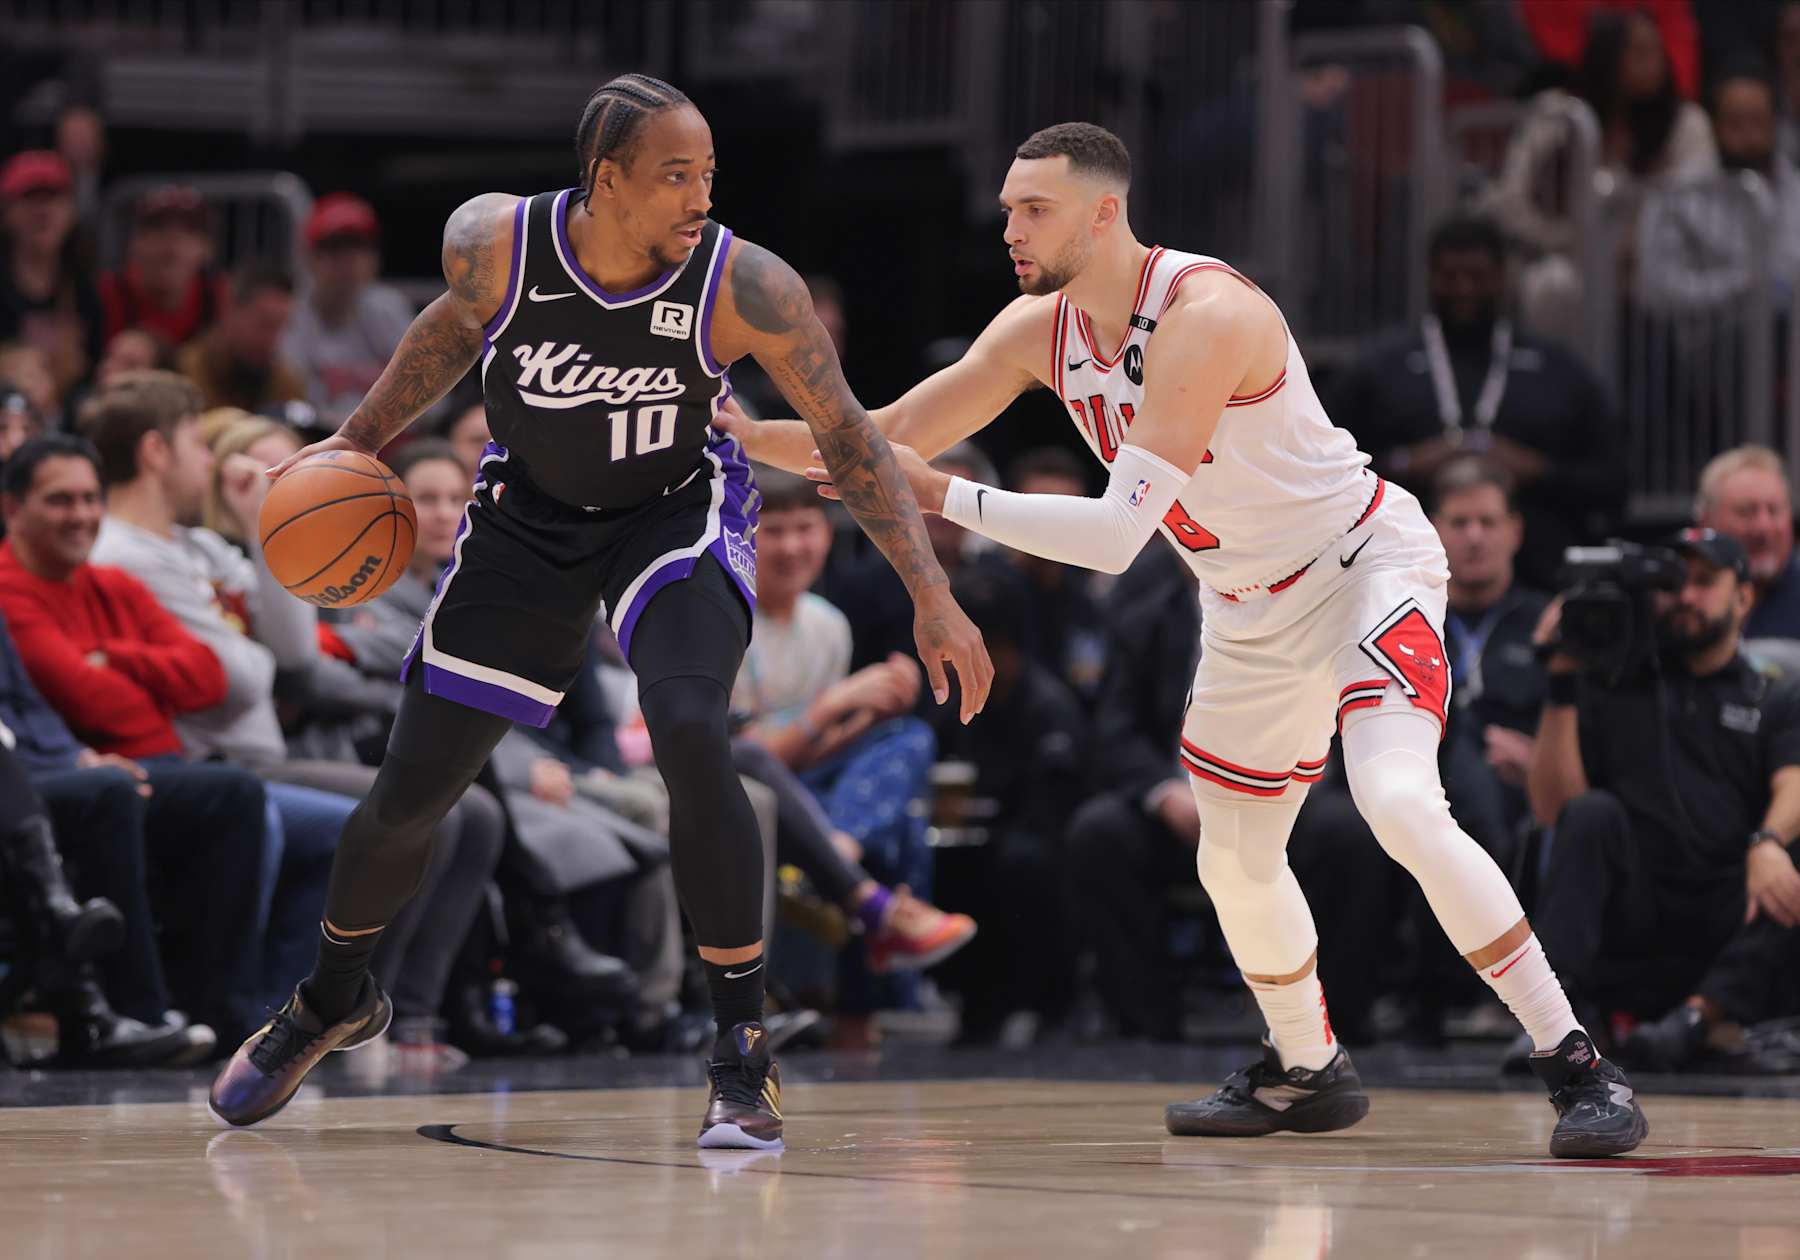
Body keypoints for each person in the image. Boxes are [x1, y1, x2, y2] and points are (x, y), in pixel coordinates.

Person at [727, 121, 1646, 1157]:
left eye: (1034, 210)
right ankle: (1307, 1066)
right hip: (1247, 603)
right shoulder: (1039, 328)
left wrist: (949, 496)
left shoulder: (1205, 313)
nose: (1011, 231)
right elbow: (881, 434)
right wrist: (747, 431)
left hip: (1361, 570)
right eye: (1007, 212)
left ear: (1104, 212)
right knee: (1234, 861)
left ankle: (1578, 1064)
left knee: (1397, 802)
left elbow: (1118, 538)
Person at [209, 74, 990, 1151]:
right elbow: (446, 334)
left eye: (709, 174)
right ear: (606, 179)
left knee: (689, 734)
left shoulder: (744, 285)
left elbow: (851, 440)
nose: (701, 196)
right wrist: (356, 445)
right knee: (411, 790)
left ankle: (740, 1051)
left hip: (673, 512)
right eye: (677, 175)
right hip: (528, 520)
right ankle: (333, 997)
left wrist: (932, 595)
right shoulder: (495, 246)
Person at [1527, 529, 1800, 1070]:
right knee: (1589, 815)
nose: (1686, 597)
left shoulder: (1773, 691)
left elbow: (1793, 780)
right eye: (1675, 583)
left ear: (1744, 597)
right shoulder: (1613, 682)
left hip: (1728, 907)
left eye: (1704, 582)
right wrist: (1561, 683)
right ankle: (1551, 1024)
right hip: (1637, 909)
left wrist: (1768, 842)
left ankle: (1699, 1018)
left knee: (1792, 856)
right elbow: (1553, 810)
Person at [1326, 214, 1623, 591]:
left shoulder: (1558, 371)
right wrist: (1401, 466)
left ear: (1501, 277)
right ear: (1430, 277)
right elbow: (1327, 476)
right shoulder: (1375, 371)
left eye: (1477, 277)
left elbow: (1611, 483)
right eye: (1450, 276)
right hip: (1393, 582)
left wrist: (1539, 470)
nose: (1463, 289)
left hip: (1539, 581)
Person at [282, 194, 418, 430]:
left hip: (387, 436)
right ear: (310, 257)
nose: (348, 262)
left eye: (358, 249)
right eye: (335, 250)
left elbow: (433, 400)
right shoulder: (292, 314)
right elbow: (288, 402)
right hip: (313, 440)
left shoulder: (388, 308)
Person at [0, 150, 103, 399]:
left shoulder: (86, 290)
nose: (42, 211)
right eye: (30, 198)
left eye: (53, 198)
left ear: (71, 212)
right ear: (6, 212)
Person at [1694, 446, 1800, 645]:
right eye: (1746, 512)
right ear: (1706, 521)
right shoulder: (1682, 601)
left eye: (1774, 511)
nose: (1763, 527)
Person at [99, 185, 226, 349]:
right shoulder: (105, 298)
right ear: (134, 243)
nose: (172, 241)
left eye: (188, 229)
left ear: (208, 248)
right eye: (158, 227)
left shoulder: (221, 301)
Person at [176, 263, 306, 414]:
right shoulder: (185, 374)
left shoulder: (286, 383)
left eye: (282, 328)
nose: (273, 340)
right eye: (265, 324)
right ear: (230, 311)